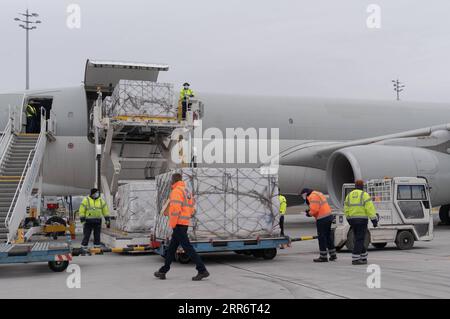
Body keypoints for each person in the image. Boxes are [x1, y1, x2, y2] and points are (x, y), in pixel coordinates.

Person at [154, 173, 209, 281]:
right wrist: (186, 215)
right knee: (171, 249)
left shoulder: (176, 191)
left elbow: (175, 210)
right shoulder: (186, 191)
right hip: (184, 223)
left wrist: (173, 224)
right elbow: (192, 208)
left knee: (187, 248)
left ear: (173, 181)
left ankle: (202, 270)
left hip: (178, 224)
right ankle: (163, 271)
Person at [344, 179, 378, 265]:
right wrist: (374, 220)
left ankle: (363, 257)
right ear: (362, 186)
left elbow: (346, 208)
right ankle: (355, 258)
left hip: (352, 220)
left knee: (358, 238)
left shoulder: (349, 195)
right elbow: (370, 208)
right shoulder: (364, 195)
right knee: (360, 239)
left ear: (355, 186)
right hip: (362, 220)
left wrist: (348, 218)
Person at [300, 188, 337, 262]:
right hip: (328, 216)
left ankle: (323, 256)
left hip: (322, 218)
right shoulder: (318, 193)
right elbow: (318, 206)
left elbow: (314, 210)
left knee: (321, 237)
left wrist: (308, 214)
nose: (303, 197)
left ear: (305, 193)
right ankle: (333, 255)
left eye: (302, 195)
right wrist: (310, 210)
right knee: (328, 236)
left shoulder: (312, 196)